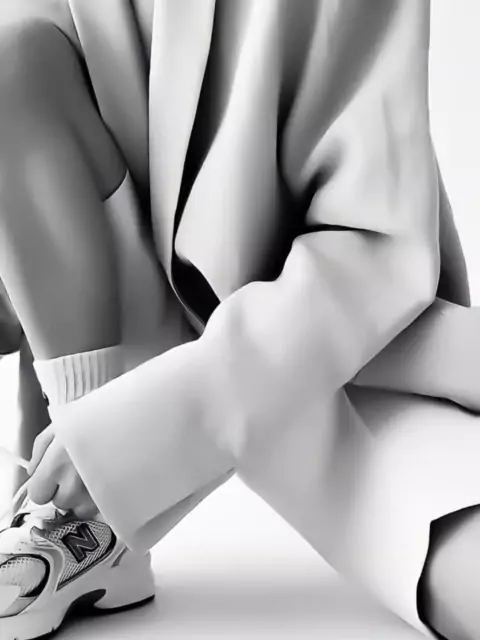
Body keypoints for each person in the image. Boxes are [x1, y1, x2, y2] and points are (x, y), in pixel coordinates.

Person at [1, 2, 480, 640]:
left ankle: (86, 507)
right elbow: (29, 97)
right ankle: (80, 528)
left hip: (331, 348)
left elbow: (372, 260)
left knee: (465, 574)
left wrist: (137, 429)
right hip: (125, 327)